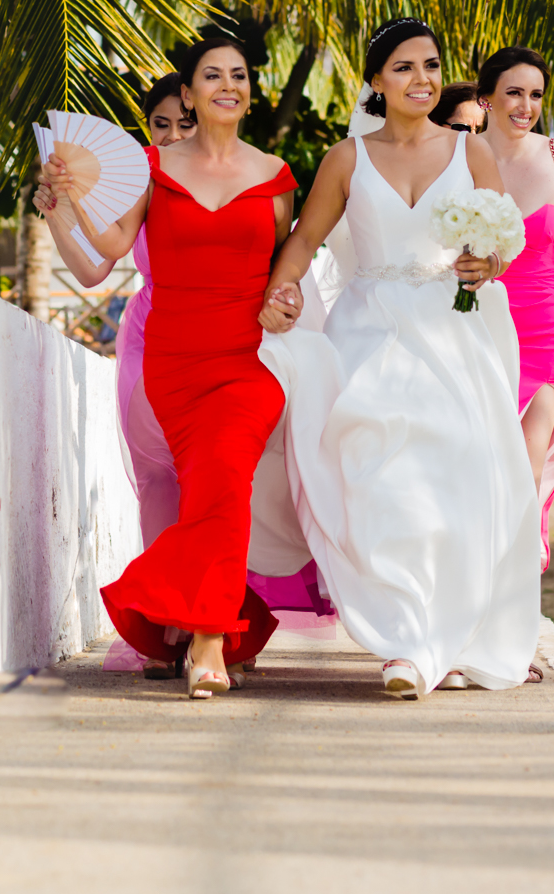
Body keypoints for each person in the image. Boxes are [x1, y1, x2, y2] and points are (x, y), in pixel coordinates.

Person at [258, 17, 542, 698]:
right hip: (369, 334)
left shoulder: (471, 152)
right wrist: (281, 285)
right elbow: (304, 239)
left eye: (432, 66)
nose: (423, 79)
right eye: (406, 67)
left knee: (452, 484)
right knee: (379, 483)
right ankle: (403, 641)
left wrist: (488, 261)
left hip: (452, 335)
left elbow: (509, 240)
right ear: (378, 81)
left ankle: (439, 637)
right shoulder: (346, 160)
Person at [36, 75, 338, 684]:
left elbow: (285, 262)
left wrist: (285, 304)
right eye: (160, 124)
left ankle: (194, 620)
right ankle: (174, 633)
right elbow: (97, 268)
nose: (174, 133)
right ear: (147, 132)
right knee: (161, 483)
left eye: (184, 122)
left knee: (218, 483)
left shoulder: (251, 179)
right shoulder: (145, 178)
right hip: (155, 346)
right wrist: (60, 214)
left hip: (234, 350)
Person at [477, 47, 554, 572]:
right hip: (477, 329)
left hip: (546, 331)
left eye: (535, 95)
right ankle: (472, 611)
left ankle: (513, 624)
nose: (526, 105)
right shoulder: (459, 156)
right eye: (514, 92)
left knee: (525, 473)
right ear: (486, 98)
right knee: (480, 472)